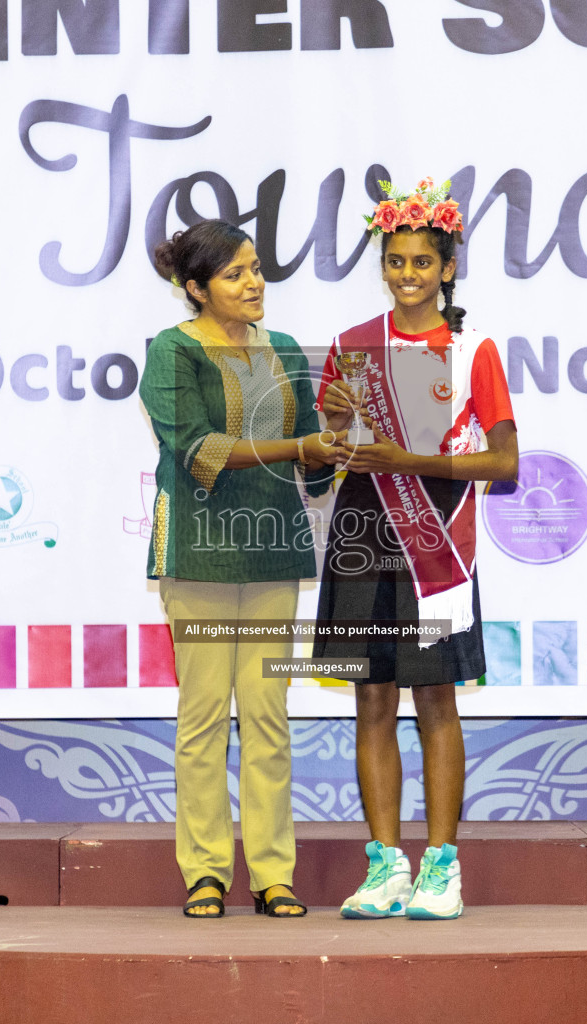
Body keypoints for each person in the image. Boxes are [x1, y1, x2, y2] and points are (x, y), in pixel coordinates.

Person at [315, 179, 518, 921]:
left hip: (435, 541)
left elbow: (505, 465)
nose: (407, 275)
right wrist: (333, 430)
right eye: (395, 261)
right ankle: (383, 868)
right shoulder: (351, 348)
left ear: (446, 268)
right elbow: (325, 460)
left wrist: (411, 464)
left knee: (435, 699)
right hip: (363, 538)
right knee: (371, 699)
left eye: (422, 263)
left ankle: (440, 868)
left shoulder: (472, 352)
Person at [141, 219, 344, 918]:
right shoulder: (171, 353)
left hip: (274, 550)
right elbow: (202, 449)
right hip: (197, 552)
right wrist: (302, 447)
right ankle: (203, 871)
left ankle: (272, 874)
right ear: (195, 289)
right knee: (202, 717)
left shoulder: (285, 351)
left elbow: (313, 469)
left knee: (268, 716)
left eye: (256, 268)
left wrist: (335, 446)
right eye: (235, 274)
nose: (253, 283)